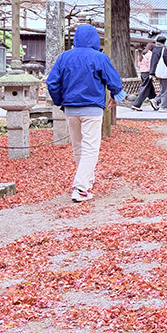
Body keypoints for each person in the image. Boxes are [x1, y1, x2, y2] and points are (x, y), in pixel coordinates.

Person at [45, 24, 127, 202]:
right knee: (90, 146)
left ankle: (87, 181)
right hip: (92, 107)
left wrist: (60, 100)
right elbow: (113, 79)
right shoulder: (100, 57)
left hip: (70, 108)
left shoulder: (63, 58)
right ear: (95, 40)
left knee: (78, 146)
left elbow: (52, 82)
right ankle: (81, 187)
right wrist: (115, 96)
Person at [149, 35, 167, 111]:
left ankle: (156, 100)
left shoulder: (155, 50)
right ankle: (163, 107)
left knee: (163, 89)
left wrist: (152, 72)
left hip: (158, 72)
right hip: (164, 73)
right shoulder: (164, 51)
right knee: (166, 90)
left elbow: (153, 62)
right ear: (164, 42)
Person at [130, 41, 156, 111]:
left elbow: (138, 65)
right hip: (147, 73)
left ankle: (155, 103)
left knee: (151, 90)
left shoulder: (143, 54)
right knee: (144, 89)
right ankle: (136, 105)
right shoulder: (150, 54)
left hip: (142, 73)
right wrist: (152, 72)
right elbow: (150, 64)